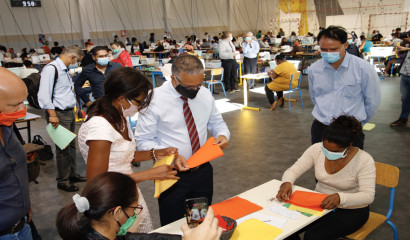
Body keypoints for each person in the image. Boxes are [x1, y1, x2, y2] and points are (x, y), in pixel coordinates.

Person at [78, 67, 181, 232]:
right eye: (138, 102)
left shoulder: (120, 116)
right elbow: (98, 182)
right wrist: (149, 174)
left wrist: (154, 153)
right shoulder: (100, 128)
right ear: (121, 98)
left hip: (129, 193)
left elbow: (123, 155)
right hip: (112, 202)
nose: (140, 108)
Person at [136, 55, 230, 226]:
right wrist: (171, 155)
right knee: (174, 225)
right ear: (174, 78)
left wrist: (222, 135)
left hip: (202, 171)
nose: (195, 90)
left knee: (198, 220)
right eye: (189, 86)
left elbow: (216, 122)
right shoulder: (154, 100)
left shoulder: (204, 93)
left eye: (198, 84)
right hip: (171, 175)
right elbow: (143, 141)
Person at [277, 116, 376, 240]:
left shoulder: (364, 160)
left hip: (351, 210)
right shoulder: (317, 149)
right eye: (326, 148)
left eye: (336, 151)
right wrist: (286, 182)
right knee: (285, 229)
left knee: (314, 236)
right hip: (320, 204)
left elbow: (368, 196)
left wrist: (340, 197)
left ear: (349, 145)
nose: (328, 153)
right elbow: (294, 170)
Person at [57, 172, 222, 240]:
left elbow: (142, 238)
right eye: (135, 209)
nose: (136, 214)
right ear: (117, 213)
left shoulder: (91, 225)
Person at [308, 26, 381, 149]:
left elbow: (372, 102)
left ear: (345, 45)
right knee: (320, 164)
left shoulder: (363, 69)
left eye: (333, 49)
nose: (328, 53)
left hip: (349, 131)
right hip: (320, 127)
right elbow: (315, 97)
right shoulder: (315, 69)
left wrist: (356, 125)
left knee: (350, 166)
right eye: (323, 49)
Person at [38, 46, 87, 192]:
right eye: (77, 61)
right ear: (72, 57)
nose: (76, 63)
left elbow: (66, 92)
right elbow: (44, 94)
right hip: (58, 114)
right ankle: (63, 179)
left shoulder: (64, 70)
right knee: (62, 147)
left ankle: (72, 174)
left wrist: (76, 108)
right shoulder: (51, 69)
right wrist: (52, 114)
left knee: (71, 146)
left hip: (68, 113)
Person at [0, 68, 33, 240]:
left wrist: (24, 204)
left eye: (23, 101)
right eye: (15, 104)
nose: (22, 108)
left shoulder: (7, 127)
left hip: (22, 224)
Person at [390, 32, 410, 126]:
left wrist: (407, 48)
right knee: (405, 98)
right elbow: (402, 36)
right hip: (405, 72)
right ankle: (403, 118)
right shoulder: (406, 44)